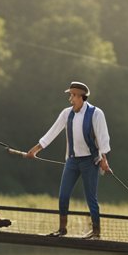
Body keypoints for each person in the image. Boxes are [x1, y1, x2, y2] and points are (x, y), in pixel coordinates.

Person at [25, 81, 111, 239]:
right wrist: (35, 149)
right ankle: (62, 229)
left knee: (91, 197)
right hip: (72, 161)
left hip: (90, 161)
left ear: (80, 97)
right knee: (63, 195)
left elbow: (102, 137)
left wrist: (104, 160)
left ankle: (96, 231)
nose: (70, 98)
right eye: (70, 95)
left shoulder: (96, 113)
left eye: (72, 95)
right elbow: (53, 131)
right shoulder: (66, 113)